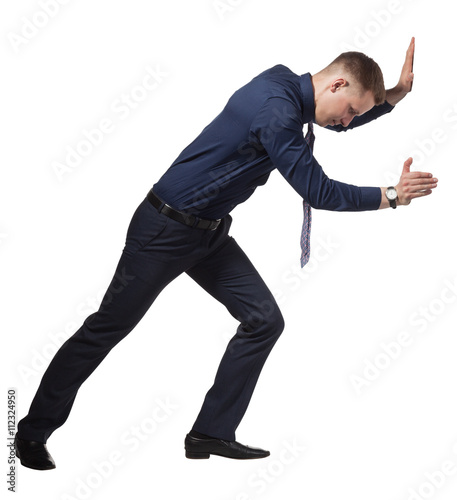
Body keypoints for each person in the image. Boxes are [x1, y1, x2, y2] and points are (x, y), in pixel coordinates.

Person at [15, 37, 438, 470]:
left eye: (356, 117)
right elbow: (319, 190)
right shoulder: (277, 111)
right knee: (106, 329)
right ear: (337, 84)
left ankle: (210, 432)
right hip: (164, 230)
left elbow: (334, 121)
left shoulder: (286, 85)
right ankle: (30, 433)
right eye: (351, 111)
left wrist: (391, 98)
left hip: (209, 234)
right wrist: (392, 195)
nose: (347, 124)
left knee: (264, 320)